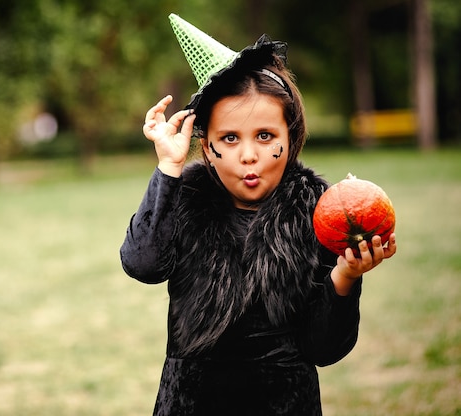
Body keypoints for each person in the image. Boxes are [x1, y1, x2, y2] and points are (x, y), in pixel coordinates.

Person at [120, 14, 397, 416]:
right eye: (229, 138)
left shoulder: (320, 210)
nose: (248, 155)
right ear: (208, 146)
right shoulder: (184, 198)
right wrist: (168, 168)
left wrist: (345, 276)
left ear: (291, 136)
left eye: (265, 136)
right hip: (191, 403)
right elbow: (142, 263)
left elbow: (324, 348)